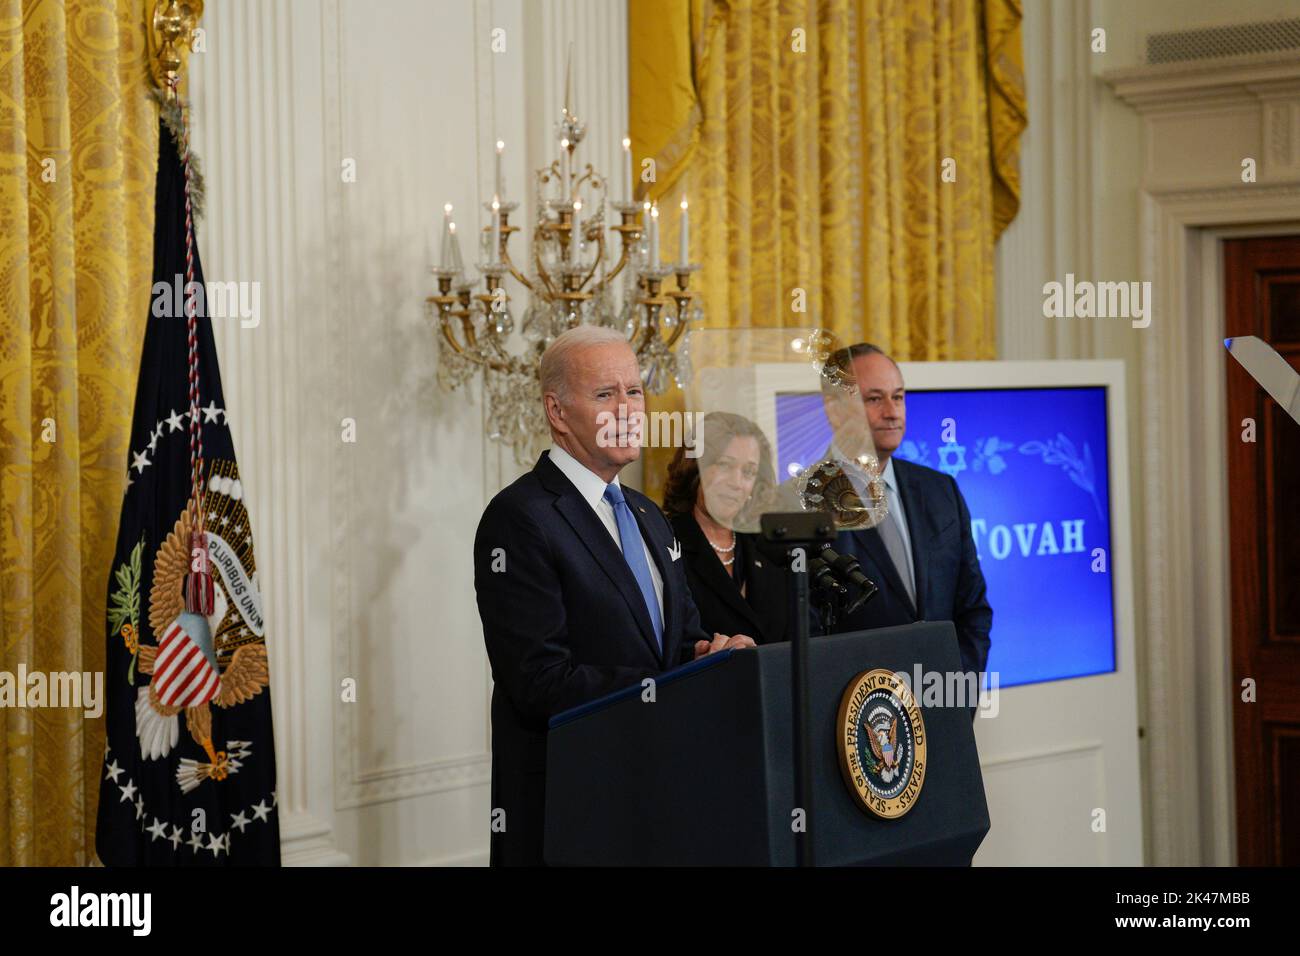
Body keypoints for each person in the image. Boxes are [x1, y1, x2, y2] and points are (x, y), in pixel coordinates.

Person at [473, 326, 755, 867]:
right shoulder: (520, 518)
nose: (628, 409)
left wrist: (709, 656)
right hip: (574, 813)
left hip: (660, 802)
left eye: (635, 391)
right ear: (557, 412)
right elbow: (538, 682)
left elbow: (679, 640)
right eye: (606, 395)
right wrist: (674, 684)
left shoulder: (648, 515)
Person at [823, 343, 992, 700]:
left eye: (898, 397)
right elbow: (806, 638)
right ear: (834, 410)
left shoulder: (940, 490)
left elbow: (972, 610)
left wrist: (955, 702)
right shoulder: (802, 504)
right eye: (874, 399)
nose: (892, 412)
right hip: (855, 732)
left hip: (943, 716)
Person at [662, 412, 789, 645]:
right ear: (694, 469)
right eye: (724, 465)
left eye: (748, 472)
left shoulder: (768, 548)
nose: (736, 483)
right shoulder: (664, 541)